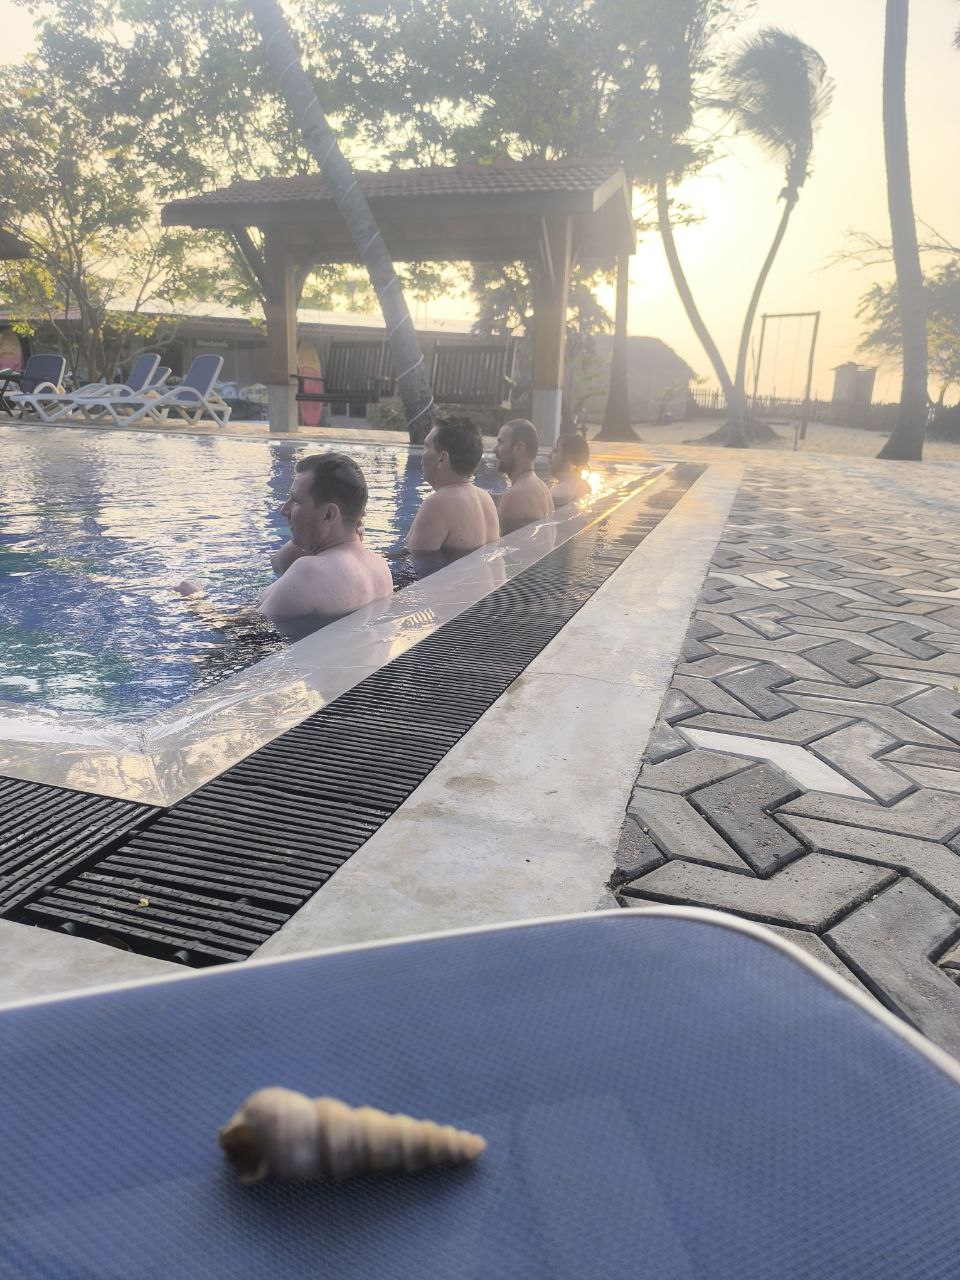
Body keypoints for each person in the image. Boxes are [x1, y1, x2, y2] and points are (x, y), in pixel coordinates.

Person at [176, 452, 392, 638]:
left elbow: (238, 633)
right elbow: (279, 565)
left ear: (328, 514)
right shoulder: (380, 566)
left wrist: (195, 600)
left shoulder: (310, 571)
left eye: (295, 501)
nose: (284, 510)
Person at [407, 417, 499, 559]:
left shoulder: (437, 504)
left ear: (442, 458)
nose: (422, 453)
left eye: (426, 446)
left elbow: (414, 563)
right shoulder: (486, 499)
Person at [493, 418, 554, 535]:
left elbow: (499, 542)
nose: (494, 449)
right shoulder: (544, 489)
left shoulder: (515, 495)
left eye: (501, 443)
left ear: (519, 448)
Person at [549, 432, 592, 506]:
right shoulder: (586, 487)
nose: (549, 455)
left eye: (555, 451)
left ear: (568, 459)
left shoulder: (557, 494)